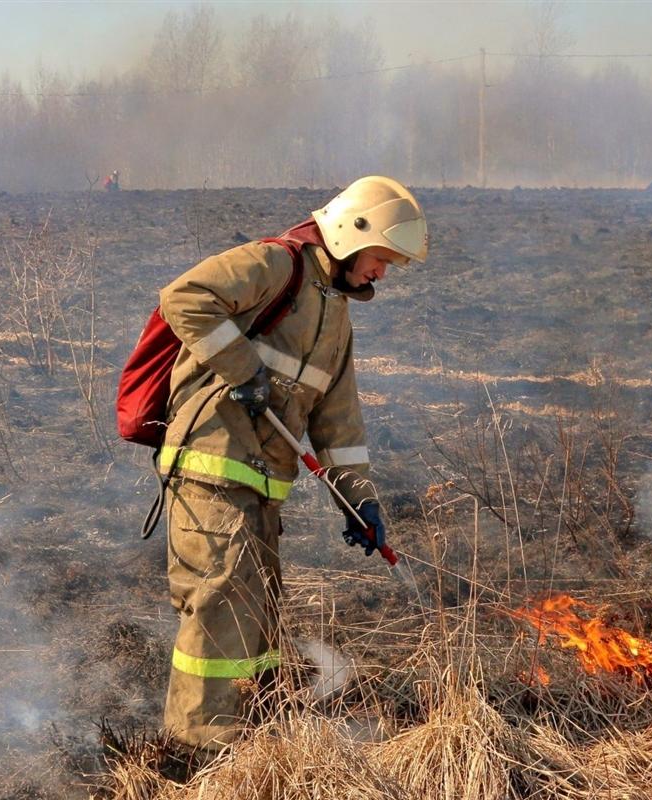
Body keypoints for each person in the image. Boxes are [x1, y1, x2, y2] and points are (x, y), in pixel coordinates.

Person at [155, 176, 428, 752]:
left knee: (259, 611)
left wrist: (360, 499)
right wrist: (242, 369)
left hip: (260, 483)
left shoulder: (334, 314)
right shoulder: (275, 266)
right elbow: (184, 296)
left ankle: (248, 735)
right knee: (221, 602)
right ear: (352, 235)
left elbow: (339, 420)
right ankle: (195, 750)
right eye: (381, 258)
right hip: (210, 463)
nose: (382, 273)